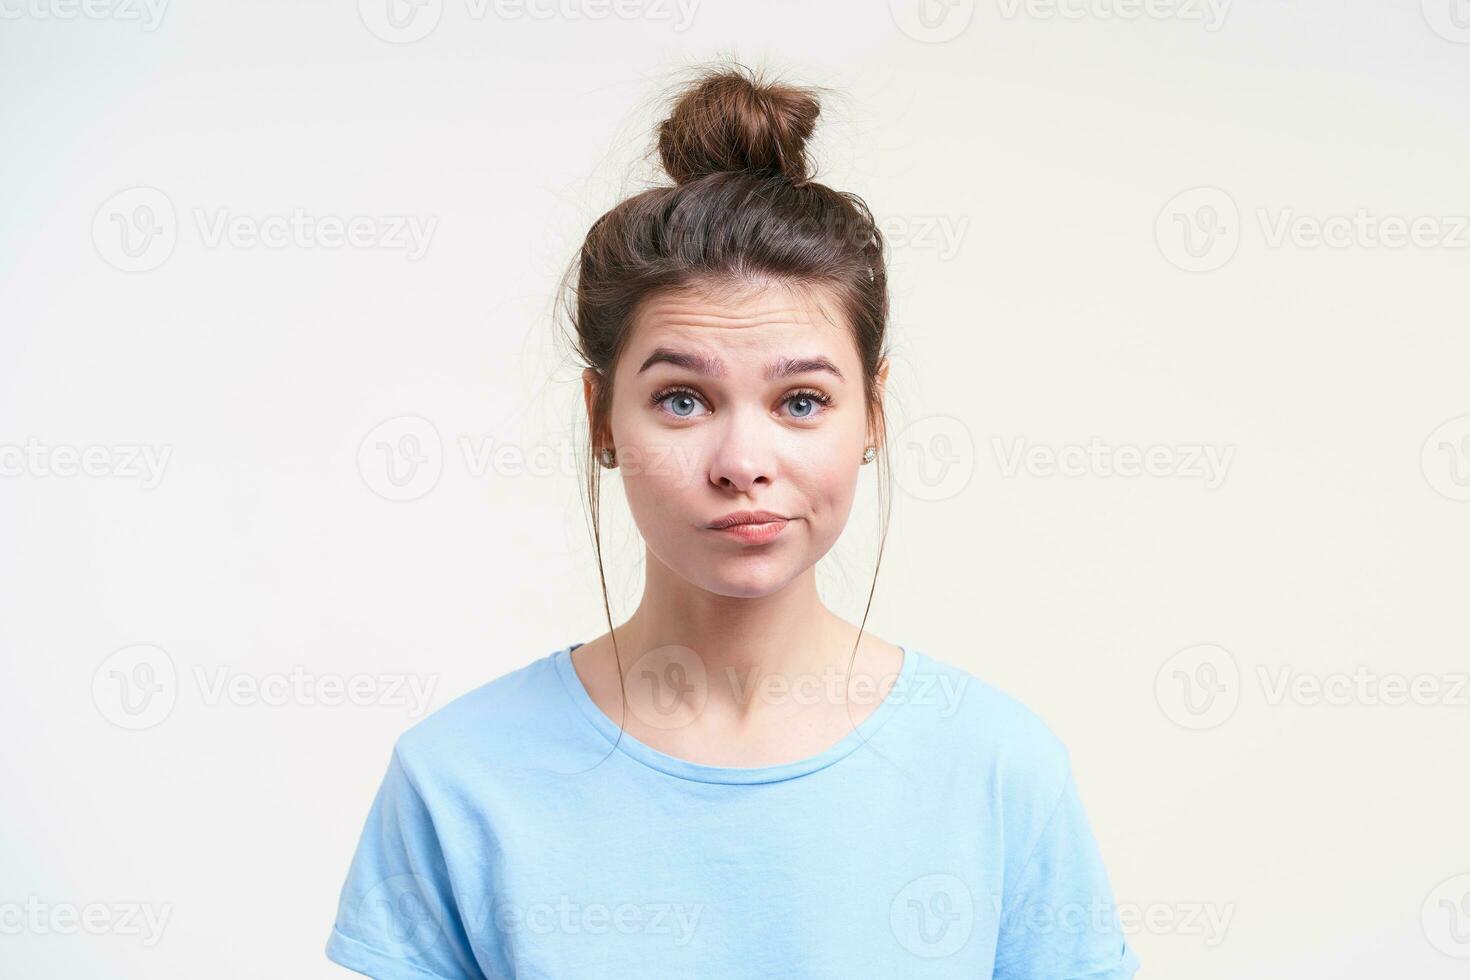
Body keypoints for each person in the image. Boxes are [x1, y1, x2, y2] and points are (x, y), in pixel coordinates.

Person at [325, 62, 1140, 979]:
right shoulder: (456, 782)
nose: (742, 462)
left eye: (800, 401)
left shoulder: (999, 772)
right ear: (600, 418)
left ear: (871, 416)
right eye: (681, 400)